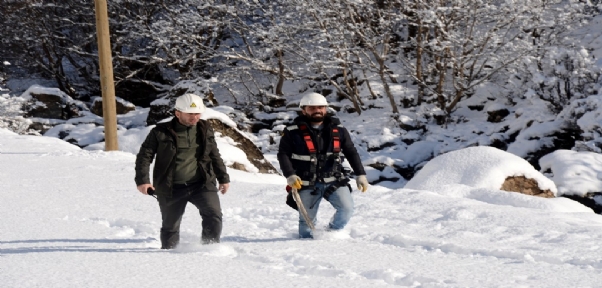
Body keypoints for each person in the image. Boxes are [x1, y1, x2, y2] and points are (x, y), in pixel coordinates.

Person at [135, 93, 230, 249]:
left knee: (214, 215)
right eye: (190, 114)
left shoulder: (205, 128)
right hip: (171, 187)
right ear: (177, 113)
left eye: (197, 113)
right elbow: (144, 156)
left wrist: (223, 178)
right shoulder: (160, 132)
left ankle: (209, 249)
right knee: (170, 226)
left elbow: (214, 154)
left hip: (201, 183)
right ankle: (169, 257)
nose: (194, 117)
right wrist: (143, 181)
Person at [277, 92, 369, 238]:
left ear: (325, 109)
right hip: (305, 182)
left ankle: (332, 234)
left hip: (334, 179)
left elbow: (351, 152)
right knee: (306, 222)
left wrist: (360, 174)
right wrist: (290, 175)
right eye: (312, 108)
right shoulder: (292, 132)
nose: (317, 110)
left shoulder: (339, 130)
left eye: (321, 107)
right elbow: (283, 155)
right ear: (304, 110)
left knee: (346, 209)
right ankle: (306, 246)